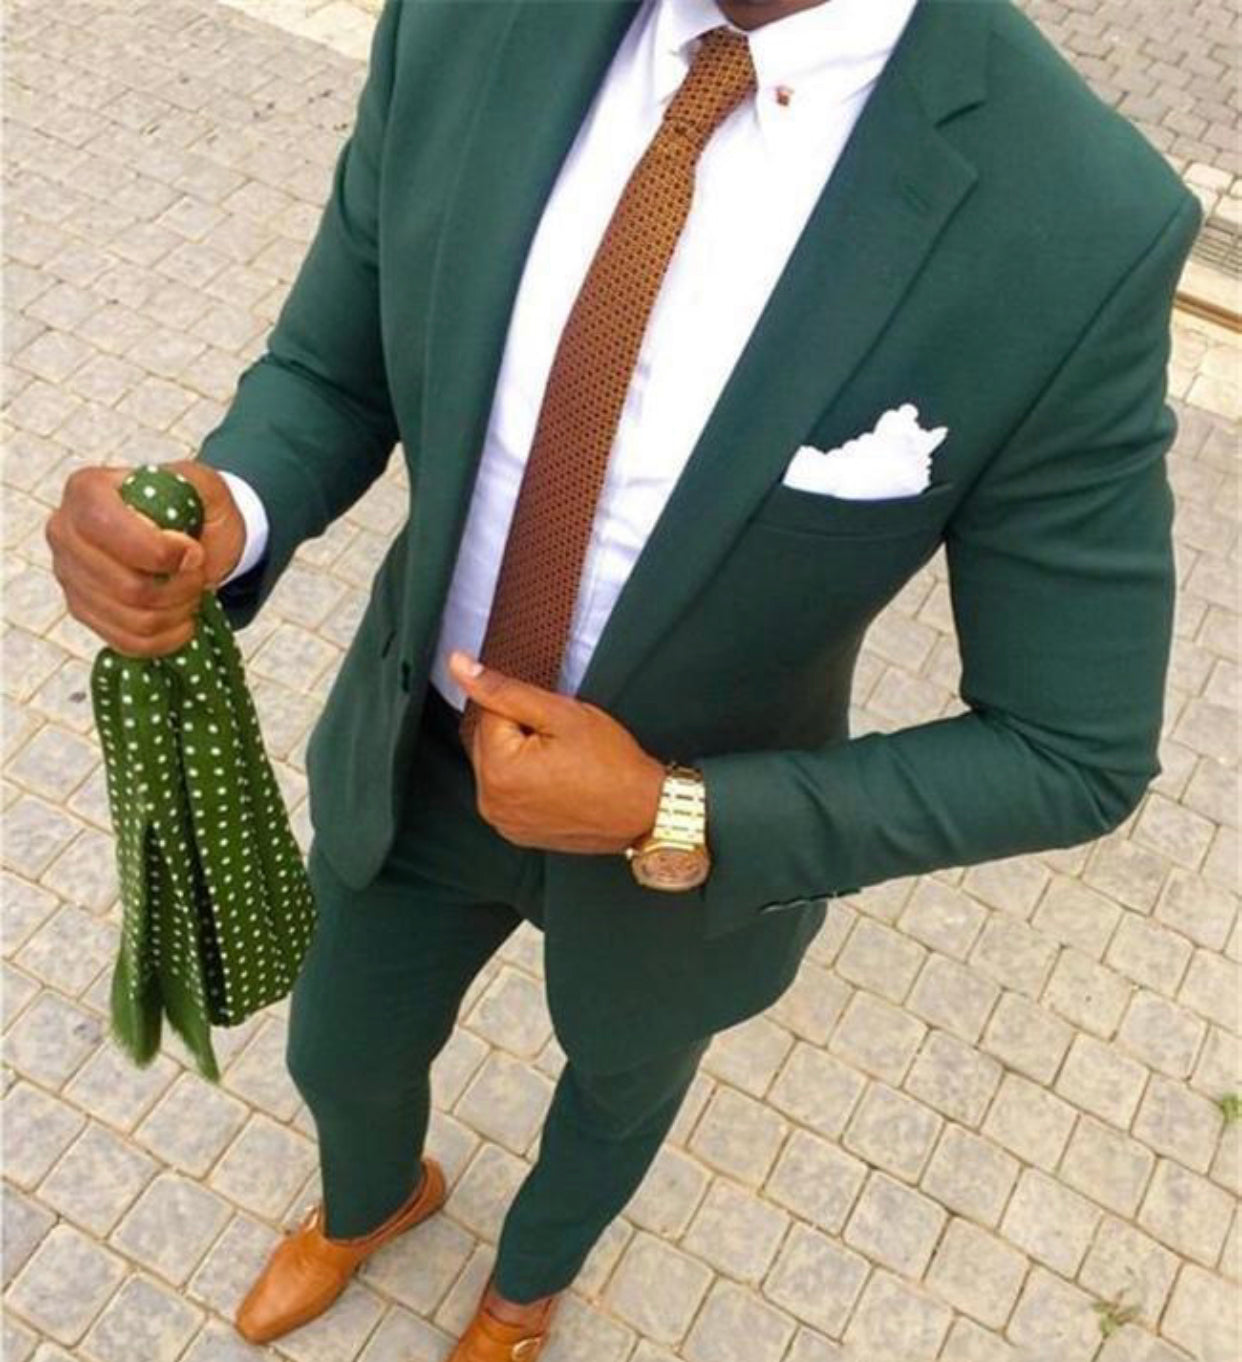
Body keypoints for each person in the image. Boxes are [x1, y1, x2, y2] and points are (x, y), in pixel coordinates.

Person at [46, 0, 1201, 1356]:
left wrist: (673, 808)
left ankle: (523, 1292)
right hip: (422, 746)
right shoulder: (468, 21)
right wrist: (230, 503)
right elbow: (335, 367)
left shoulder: (1078, 219)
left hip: (688, 848)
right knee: (337, 1050)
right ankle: (372, 1202)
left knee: (614, 1101)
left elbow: (1072, 747)